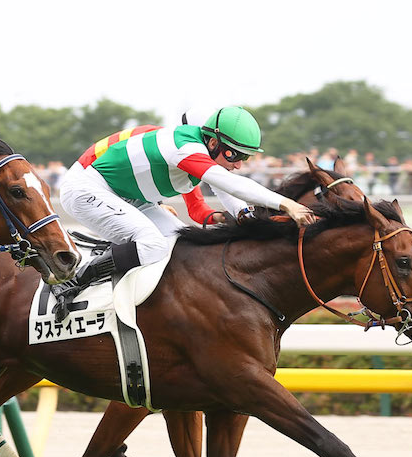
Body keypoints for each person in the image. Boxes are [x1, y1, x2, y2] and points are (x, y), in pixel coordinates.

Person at [51, 106, 316, 321]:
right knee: (153, 245)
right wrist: (287, 204)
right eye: (235, 155)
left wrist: (247, 217)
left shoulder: (206, 156)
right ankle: (72, 281)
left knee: (181, 243)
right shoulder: (183, 147)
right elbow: (232, 184)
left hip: (126, 196)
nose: (238, 164)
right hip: (86, 188)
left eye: (244, 159)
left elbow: (226, 195)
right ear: (212, 142)